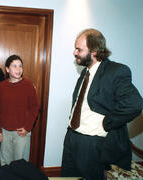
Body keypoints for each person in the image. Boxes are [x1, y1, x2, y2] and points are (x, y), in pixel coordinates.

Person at [61, 28, 143, 180]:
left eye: (79, 49)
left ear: (94, 51)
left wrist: (106, 123)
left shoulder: (116, 71)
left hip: (92, 143)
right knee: (67, 177)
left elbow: (134, 104)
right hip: (71, 138)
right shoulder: (85, 73)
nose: (74, 52)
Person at [0, 55, 39, 166]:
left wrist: (27, 128)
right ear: (7, 69)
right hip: (5, 132)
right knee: (5, 164)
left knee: (20, 165)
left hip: (21, 133)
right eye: (14, 66)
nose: (18, 69)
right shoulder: (2, 86)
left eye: (20, 66)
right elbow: (0, 109)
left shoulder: (28, 85)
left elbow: (35, 107)